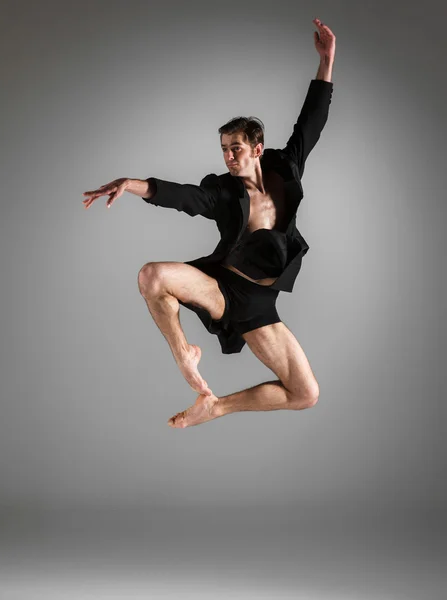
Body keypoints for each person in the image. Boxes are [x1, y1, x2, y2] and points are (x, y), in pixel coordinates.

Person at [82, 18, 336, 429]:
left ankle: (213, 407)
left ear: (257, 148)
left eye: (235, 148)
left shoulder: (286, 168)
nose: (228, 157)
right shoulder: (222, 191)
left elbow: (312, 121)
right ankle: (185, 354)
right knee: (152, 277)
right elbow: (185, 197)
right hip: (221, 286)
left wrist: (326, 60)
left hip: (259, 304)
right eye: (223, 150)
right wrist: (133, 184)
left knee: (305, 393)